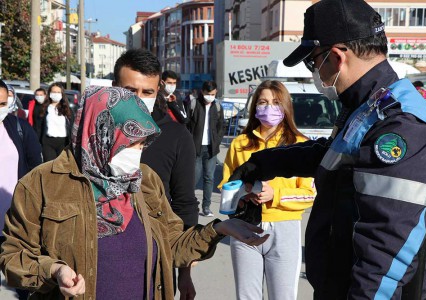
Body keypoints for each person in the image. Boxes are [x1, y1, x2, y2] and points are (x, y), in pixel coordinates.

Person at [229, 0, 426, 299]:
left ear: (335, 56)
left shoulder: (400, 127)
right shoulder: (371, 105)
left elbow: (385, 255)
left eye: (312, 62)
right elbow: (338, 155)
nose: (314, 73)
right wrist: (265, 162)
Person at [0, 85, 269, 300]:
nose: (138, 151)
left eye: (142, 143)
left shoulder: (146, 181)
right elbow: (13, 255)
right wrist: (54, 270)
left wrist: (220, 229)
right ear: (101, 132)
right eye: (130, 142)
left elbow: (172, 246)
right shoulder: (43, 182)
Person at [113, 48, 199, 299]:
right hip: (97, 257)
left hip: (153, 261)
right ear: (113, 87)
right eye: (130, 91)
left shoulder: (176, 136)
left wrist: (184, 273)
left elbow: (184, 204)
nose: (138, 98)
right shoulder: (92, 132)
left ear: (158, 90)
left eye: (147, 92)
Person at [218, 80, 316, 300]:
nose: (269, 107)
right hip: (245, 226)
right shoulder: (240, 143)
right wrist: (244, 192)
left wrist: (276, 195)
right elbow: (226, 185)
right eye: (263, 102)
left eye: (275, 102)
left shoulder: (301, 145)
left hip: (285, 230)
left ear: (286, 107)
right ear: (255, 107)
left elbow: (310, 194)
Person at [0, 79, 42, 300]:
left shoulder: (18, 128)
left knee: (18, 286)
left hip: (14, 223)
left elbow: (36, 169)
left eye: (2, 103)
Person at [188, 80, 225, 217]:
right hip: (196, 148)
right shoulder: (193, 104)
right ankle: (190, 205)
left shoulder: (218, 107)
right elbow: (187, 125)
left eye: (213, 94)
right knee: (194, 178)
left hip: (211, 149)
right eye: (208, 93)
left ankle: (206, 207)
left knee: (209, 178)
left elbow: (221, 126)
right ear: (202, 92)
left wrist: (217, 141)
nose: (210, 96)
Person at [39, 83, 72, 162]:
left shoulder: (67, 110)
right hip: (48, 142)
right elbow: (38, 127)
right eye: (53, 92)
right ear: (49, 93)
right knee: (50, 166)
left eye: (58, 92)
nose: (56, 94)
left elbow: (72, 126)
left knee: (61, 166)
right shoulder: (44, 108)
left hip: (63, 142)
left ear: (62, 94)